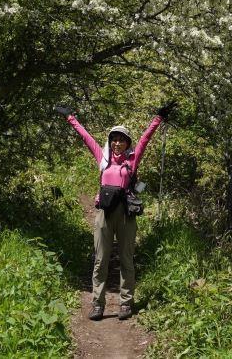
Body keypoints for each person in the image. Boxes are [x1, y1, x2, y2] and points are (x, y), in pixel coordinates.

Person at [54, 100, 178, 321]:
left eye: (121, 139)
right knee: (100, 260)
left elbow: (145, 139)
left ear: (127, 142)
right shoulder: (102, 159)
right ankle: (98, 305)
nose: (117, 143)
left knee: (126, 259)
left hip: (125, 215)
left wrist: (158, 117)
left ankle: (125, 303)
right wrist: (70, 117)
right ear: (110, 142)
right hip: (104, 213)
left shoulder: (132, 160)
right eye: (114, 139)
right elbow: (86, 137)